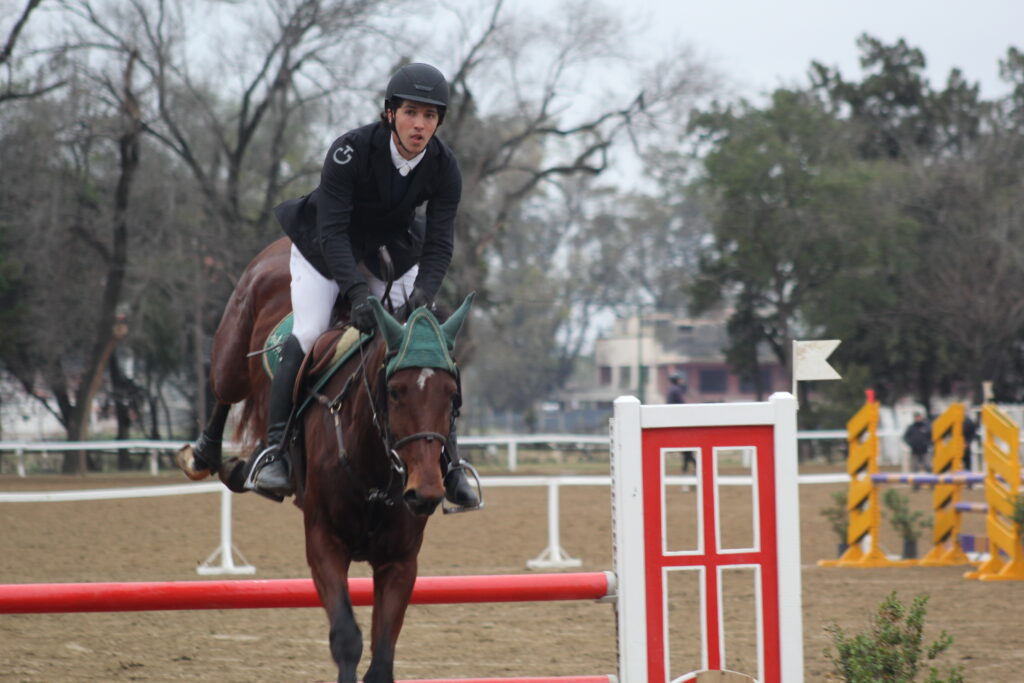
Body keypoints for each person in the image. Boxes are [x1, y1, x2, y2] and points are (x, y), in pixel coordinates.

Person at [246, 62, 477, 509]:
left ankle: (451, 462)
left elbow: (439, 243)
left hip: (390, 249)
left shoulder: (444, 166)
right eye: (411, 113)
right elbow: (333, 233)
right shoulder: (349, 151)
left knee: (429, 344)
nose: (420, 124)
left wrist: (424, 294)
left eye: (429, 116)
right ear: (390, 113)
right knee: (309, 332)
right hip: (325, 248)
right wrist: (356, 294)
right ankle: (276, 451)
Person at [666, 371, 696, 480]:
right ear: (677, 380)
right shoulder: (677, 390)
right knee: (687, 445)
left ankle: (686, 468)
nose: (681, 381)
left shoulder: (670, 390)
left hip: (671, 417)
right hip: (678, 418)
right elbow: (682, 404)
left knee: (686, 450)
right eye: (680, 379)